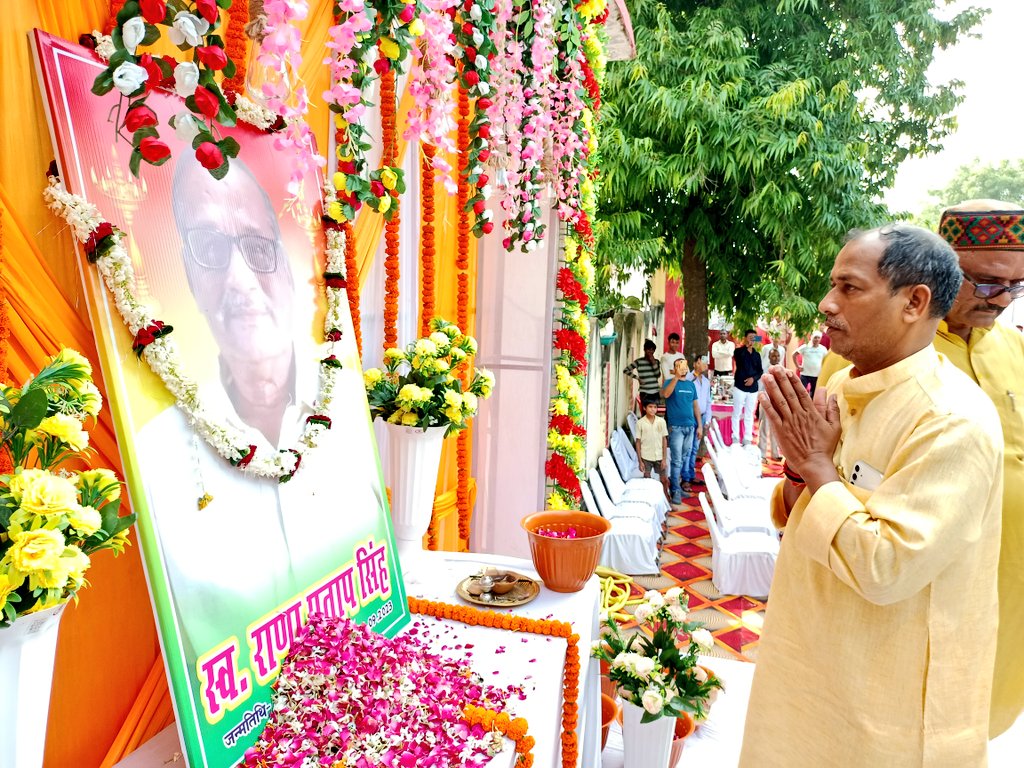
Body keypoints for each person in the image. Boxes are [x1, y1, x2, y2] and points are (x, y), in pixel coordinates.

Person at [740, 223, 1003, 767]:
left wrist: (816, 467)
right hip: (806, 666)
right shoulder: (840, 386)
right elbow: (799, 517)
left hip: (885, 704)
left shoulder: (951, 420)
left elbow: (885, 568)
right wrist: (799, 474)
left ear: (915, 302)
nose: (826, 303)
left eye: (849, 288)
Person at [138, 155, 389, 661]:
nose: (238, 279)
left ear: (292, 271)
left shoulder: (343, 404)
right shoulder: (157, 456)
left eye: (255, 247)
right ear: (188, 277)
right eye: (208, 249)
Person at [934, 199, 1024, 738]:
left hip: (1012, 590)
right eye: (990, 283)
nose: (1004, 299)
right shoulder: (887, 347)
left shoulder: (1013, 347)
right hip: (939, 588)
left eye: (1018, 285)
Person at [661, 358, 702, 504]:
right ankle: (675, 491)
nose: (683, 368)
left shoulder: (691, 385)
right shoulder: (669, 382)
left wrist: (700, 426)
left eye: (684, 365)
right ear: (675, 368)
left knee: (684, 457)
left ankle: (675, 483)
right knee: (677, 460)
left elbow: (695, 406)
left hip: (690, 427)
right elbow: (665, 395)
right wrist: (676, 378)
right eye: (679, 366)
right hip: (676, 427)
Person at [635, 395, 670, 500]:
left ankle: (666, 501)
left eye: (655, 407)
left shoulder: (661, 422)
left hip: (659, 456)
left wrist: (664, 459)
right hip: (646, 457)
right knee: (647, 480)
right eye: (650, 407)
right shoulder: (640, 423)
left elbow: (664, 440)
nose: (653, 409)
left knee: (664, 480)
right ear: (645, 408)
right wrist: (640, 461)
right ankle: (649, 501)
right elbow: (638, 442)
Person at [731, 329, 762, 446]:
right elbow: (739, 361)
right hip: (739, 387)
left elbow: (760, 371)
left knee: (749, 414)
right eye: (750, 337)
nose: (752, 339)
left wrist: (753, 379)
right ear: (745, 338)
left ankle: (747, 438)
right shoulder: (738, 352)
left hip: (753, 388)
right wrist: (746, 346)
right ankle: (735, 437)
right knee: (737, 412)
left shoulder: (757, 354)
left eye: (754, 337)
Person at [685, 354, 712, 482]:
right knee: (688, 447)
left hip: (700, 418)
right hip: (689, 417)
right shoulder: (688, 378)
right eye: (703, 362)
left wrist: (707, 419)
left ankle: (691, 474)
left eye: (707, 362)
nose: (706, 364)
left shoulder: (706, 382)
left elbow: (708, 402)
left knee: (694, 447)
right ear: (695, 363)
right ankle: (685, 476)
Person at [757, 348, 782, 460]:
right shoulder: (764, 370)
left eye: (777, 356)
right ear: (769, 357)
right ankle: (762, 454)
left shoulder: (782, 370)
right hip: (766, 401)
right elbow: (760, 388)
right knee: (764, 427)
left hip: (778, 403)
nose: (775, 358)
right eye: (773, 356)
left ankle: (775, 453)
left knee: (776, 428)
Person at [624, 339, 662, 406]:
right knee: (646, 413)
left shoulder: (657, 362)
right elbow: (626, 370)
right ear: (644, 350)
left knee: (654, 413)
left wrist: (653, 362)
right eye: (648, 350)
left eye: (652, 350)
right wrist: (637, 378)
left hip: (655, 392)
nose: (650, 352)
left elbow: (658, 375)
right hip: (645, 393)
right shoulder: (638, 362)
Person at [793, 331, 827, 396]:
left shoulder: (823, 349)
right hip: (805, 374)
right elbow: (794, 355)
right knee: (801, 392)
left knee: (813, 394)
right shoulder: (805, 347)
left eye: (818, 338)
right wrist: (798, 366)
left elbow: (826, 360)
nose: (817, 339)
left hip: (817, 375)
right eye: (815, 337)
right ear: (811, 338)